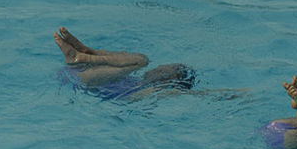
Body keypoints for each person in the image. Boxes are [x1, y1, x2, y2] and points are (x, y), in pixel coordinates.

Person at [54, 26, 196, 96]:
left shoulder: (151, 92)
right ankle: (86, 52)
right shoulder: (134, 80)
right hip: (80, 74)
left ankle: (85, 55)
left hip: (82, 80)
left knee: (142, 61)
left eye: (164, 71)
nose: (158, 68)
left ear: (167, 80)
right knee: (140, 59)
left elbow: (191, 94)